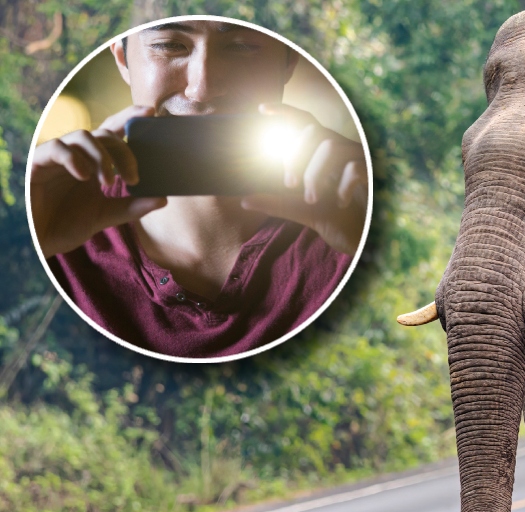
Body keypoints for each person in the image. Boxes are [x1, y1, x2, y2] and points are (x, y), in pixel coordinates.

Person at [28, 19, 368, 359]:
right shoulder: (53, 224)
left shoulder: (351, 221)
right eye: (168, 45)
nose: (201, 88)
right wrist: (26, 238)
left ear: (288, 60)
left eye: (242, 46)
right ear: (123, 59)